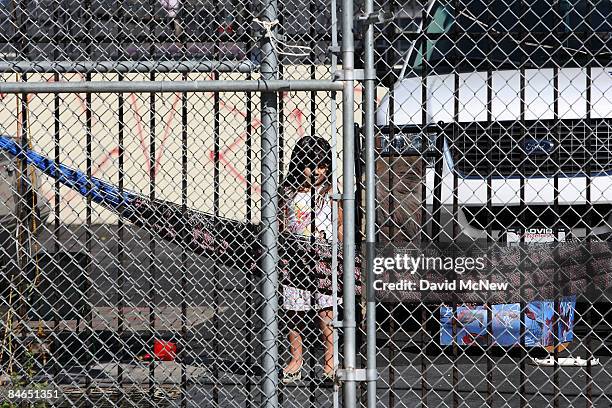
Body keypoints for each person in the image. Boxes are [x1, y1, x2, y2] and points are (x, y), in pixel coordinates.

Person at [279, 135, 341, 383]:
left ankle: (330, 359)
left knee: (325, 311)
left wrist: (335, 242)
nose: (316, 172)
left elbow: (340, 225)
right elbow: (282, 224)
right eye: (309, 165)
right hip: (295, 260)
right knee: (293, 312)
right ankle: (296, 358)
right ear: (298, 165)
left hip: (324, 261)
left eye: (322, 166)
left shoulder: (332, 191)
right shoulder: (288, 192)